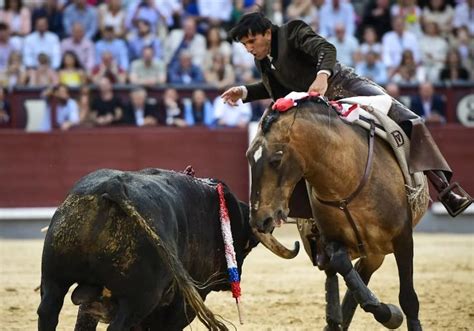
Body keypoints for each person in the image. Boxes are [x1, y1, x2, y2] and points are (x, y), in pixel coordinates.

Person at [221, 11, 472, 217]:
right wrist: (243, 92)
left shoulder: (292, 31)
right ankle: (304, 218)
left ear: (267, 32)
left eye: (252, 42)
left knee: (408, 119)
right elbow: (274, 88)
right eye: (245, 45)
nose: (249, 49)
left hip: (343, 86)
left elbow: (326, 50)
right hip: (315, 107)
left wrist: (322, 77)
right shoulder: (263, 60)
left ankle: (445, 189)